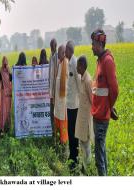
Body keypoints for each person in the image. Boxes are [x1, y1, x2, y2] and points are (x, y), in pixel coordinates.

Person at [91, 29, 118, 176]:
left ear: (100, 44)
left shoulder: (107, 61)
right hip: (97, 113)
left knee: (99, 159)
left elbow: (114, 89)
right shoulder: (99, 61)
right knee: (101, 153)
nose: (92, 47)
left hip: (102, 115)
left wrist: (109, 106)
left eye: (93, 44)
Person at [75, 55, 93, 173]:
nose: (76, 68)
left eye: (77, 65)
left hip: (86, 118)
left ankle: (87, 167)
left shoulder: (88, 80)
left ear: (81, 66)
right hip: (81, 116)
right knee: (81, 141)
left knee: (86, 144)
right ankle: (84, 165)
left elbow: (93, 101)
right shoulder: (82, 78)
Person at [65, 40, 80, 170]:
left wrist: (81, 103)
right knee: (70, 131)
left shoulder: (74, 63)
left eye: (66, 50)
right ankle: (71, 155)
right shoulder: (69, 63)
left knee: (73, 133)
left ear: (70, 50)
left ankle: (75, 158)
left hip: (75, 105)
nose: (64, 52)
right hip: (69, 104)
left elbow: (79, 84)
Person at [54, 45, 69, 145]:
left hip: (64, 100)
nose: (58, 54)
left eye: (59, 52)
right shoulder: (59, 64)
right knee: (57, 117)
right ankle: (59, 139)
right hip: (58, 99)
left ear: (63, 53)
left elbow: (68, 82)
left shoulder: (66, 63)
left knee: (63, 119)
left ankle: (63, 142)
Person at [0, 56, 12, 135]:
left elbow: (12, 80)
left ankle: (8, 127)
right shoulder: (0, 71)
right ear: (2, 62)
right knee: (3, 110)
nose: (5, 63)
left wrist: (10, 72)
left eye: (6, 61)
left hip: (9, 93)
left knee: (8, 110)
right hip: (3, 92)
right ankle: (1, 128)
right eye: (4, 61)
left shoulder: (9, 70)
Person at [49, 39, 58, 143]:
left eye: (53, 46)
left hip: (56, 93)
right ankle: (53, 134)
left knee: (55, 114)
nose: (52, 47)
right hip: (51, 92)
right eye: (51, 46)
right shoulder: (51, 56)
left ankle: (56, 135)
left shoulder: (57, 57)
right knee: (51, 113)